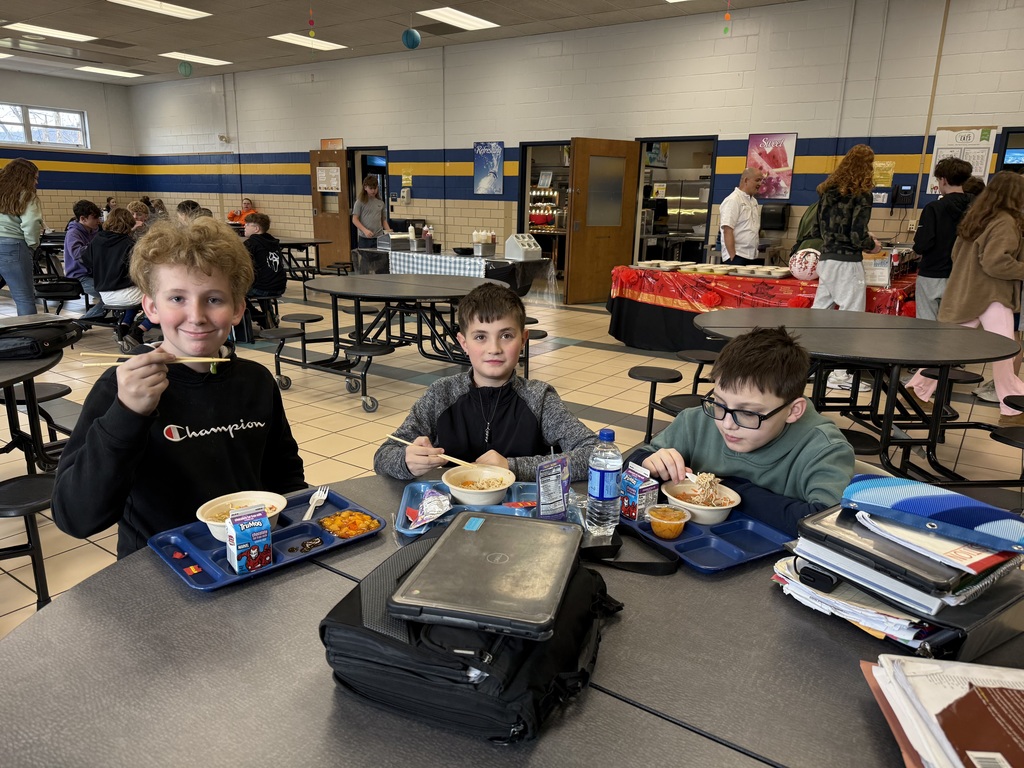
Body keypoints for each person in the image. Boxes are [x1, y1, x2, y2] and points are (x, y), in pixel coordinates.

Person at [52, 217, 306, 558]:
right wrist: (127, 414)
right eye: (177, 299)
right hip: (159, 567)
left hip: (249, 555)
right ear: (151, 307)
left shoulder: (255, 381)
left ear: (237, 309)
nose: (197, 316)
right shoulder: (123, 386)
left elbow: (284, 477)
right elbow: (76, 518)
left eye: (214, 299)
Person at [625, 326, 854, 536]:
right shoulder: (696, 421)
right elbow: (630, 466)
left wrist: (726, 489)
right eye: (720, 403)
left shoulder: (824, 449)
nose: (727, 424)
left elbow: (825, 524)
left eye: (748, 413)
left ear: (793, 410)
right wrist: (648, 463)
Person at [374, 282, 597, 481]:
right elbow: (384, 455)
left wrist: (513, 467)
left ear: (523, 340)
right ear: (463, 343)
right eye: (481, 337)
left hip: (518, 514)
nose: (494, 349)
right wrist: (406, 461)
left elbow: (596, 455)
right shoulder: (441, 394)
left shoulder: (539, 399)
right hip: (450, 512)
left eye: (506, 336)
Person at [904, 171, 1024, 427]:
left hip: (966, 293)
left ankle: (917, 387)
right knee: (1004, 351)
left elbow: (957, 255)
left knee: (950, 347)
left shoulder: (977, 218)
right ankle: (1012, 410)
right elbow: (995, 262)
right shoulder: (1005, 222)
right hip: (991, 295)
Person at [811, 144, 882, 391]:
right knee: (851, 318)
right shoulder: (862, 194)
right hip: (847, 262)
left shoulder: (827, 191)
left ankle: (809, 366)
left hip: (827, 259)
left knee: (819, 314)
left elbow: (817, 229)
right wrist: (871, 244)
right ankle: (840, 375)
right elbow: (855, 236)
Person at [80, 208, 155, 346]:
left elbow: (86, 261)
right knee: (162, 300)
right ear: (129, 224)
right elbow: (140, 270)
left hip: (104, 294)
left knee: (136, 294)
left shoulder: (97, 240)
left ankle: (124, 326)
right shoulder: (129, 244)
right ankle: (138, 331)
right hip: (126, 293)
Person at [913, 157, 974, 321]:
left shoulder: (934, 208)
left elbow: (922, 244)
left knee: (926, 327)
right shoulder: (976, 208)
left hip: (932, 274)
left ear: (943, 180)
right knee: (955, 327)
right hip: (962, 275)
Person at [0, 158, 43, 316]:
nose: (36, 182)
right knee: (23, 298)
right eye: (35, 178)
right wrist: (32, 245)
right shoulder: (27, 195)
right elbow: (32, 223)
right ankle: (29, 339)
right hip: (13, 246)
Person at [63, 199, 107, 320]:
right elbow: (78, 254)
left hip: (94, 274)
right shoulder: (73, 233)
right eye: (95, 218)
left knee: (114, 295)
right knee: (109, 298)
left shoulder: (94, 231)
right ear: (83, 219)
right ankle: (82, 323)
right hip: (80, 276)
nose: (98, 221)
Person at [243, 212, 286, 328]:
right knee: (263, 280)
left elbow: (241, 265)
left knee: (235, 294)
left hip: (263, 288)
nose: (244, 226)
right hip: (280, 286)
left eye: (247, 224)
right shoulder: (273, 242)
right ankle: (269, 317)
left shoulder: (250, 244)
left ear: (256, 229)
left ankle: (259, 317)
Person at [719, 168, 765, 265]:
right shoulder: (733, 200)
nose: (760, 184)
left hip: (751, 255)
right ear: (746, 180)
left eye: (761, 181)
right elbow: (727, 229)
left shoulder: (753, 201)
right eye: (757, 180)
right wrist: (732, 256)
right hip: (737, 256)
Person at [352, 175, 392, 249]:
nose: (373, 191)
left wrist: (389, 232)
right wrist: (365, 231)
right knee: (366, 259)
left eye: (375, 188)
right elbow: (355, 219)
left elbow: (383, 220)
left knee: (380, 259)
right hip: (365, 238)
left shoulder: (380, 203)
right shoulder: (360, 202)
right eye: (371, 188)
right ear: (365, 188)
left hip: (378, 237)